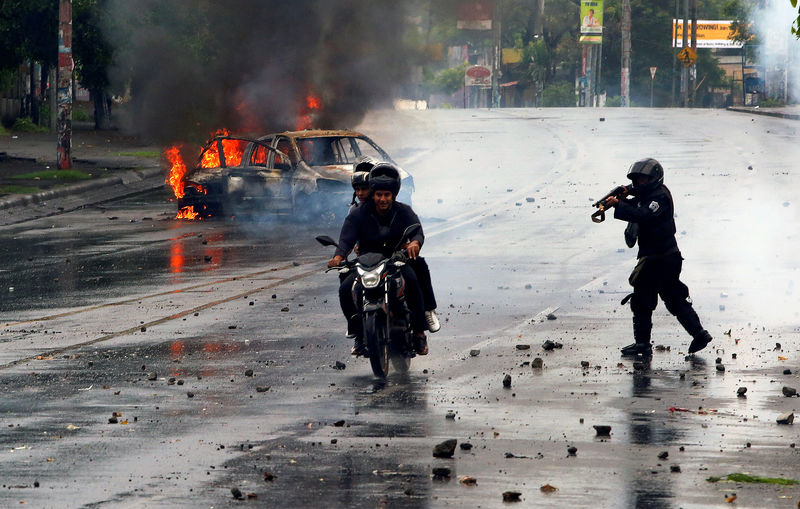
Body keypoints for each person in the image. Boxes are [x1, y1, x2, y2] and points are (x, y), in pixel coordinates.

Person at [604, 158, 712, 357]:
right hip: (664, 257)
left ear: (654, 179)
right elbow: (636, 198)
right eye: (637, 180)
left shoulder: (659, 197)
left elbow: (643, 214)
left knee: (642, 299)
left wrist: (619, 204)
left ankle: (643, 344)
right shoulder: (648, 193)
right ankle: (700, 334)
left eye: (644, 180)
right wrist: (623, 193)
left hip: (659, 258)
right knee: (674, 298)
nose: (639, 183)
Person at [328, 163, 432, 356]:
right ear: (373, 194)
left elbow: (417, 230)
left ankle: (419, 332)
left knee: (413, 281)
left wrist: (414, 243)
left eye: (387, 195)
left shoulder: (404, 211)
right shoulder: (358, 214)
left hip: (395, 261)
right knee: (345, 289)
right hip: (366, 263)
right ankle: (358, 333)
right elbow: (346, 238)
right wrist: (338, 256)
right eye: (378, 195)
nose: (382, 199)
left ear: (393, 195)